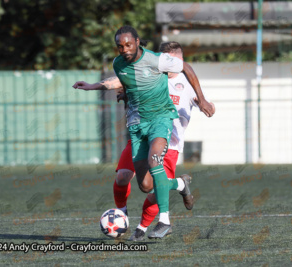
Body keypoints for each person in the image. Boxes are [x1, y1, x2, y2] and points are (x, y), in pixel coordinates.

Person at [73, 26, 214, 239]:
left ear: (138, 42)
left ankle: (163, 222)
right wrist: (96, 87)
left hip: (161, 121)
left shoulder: (158, 62)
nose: (125, 49)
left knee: (154, 161)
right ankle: (180, 184)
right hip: (138, 127)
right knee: (146, 186)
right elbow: (124, 80)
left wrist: (202, 100)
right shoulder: (120, 64)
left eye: (128, 44)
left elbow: (186, 68)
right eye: (120, 46)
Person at [113, 41, 215, 241]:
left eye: (171, 61)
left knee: (150, 190)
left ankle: (142, 228)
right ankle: (122, 215)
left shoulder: (188, 84)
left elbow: (207, 104)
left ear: (179, 61)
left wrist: (206, 104)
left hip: (170, 145)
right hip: (142, 134)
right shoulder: (151, 75)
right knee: (123, 176)